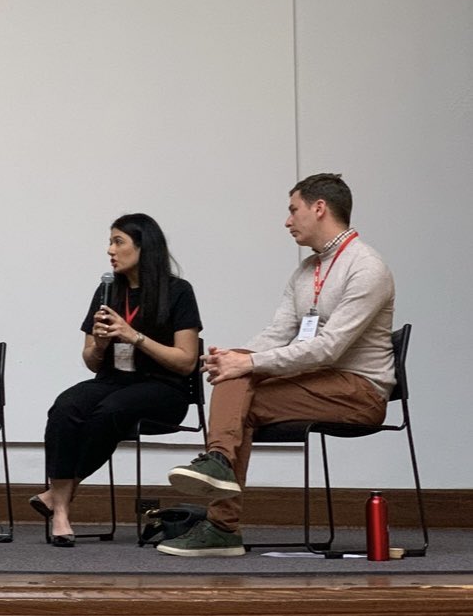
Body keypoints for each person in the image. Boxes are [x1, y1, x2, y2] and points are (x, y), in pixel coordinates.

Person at [160, 173, 393, 557]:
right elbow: (277, 332)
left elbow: (329, 349)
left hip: (359, 391)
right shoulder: (306, 271)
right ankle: (218, 473)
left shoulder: (367, 268)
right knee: (238, 373)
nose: (287, 221)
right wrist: (235, 358)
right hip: (317, 382)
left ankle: (221, 519)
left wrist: (245, 364)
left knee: (242, 377)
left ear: (319, 209)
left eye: (292, 210)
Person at [32, 214, 202, 546]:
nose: (110, 250)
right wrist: (101, 343)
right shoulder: (107, 291)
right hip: (113, 380)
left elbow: (186, 361)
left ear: (144, 247)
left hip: (165, 387)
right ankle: (62, 512)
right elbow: (90, 360)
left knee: (110, 410)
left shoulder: (178, 291)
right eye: (110, 242)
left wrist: (133, 335)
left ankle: (58, 495)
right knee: (65, 406)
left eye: (118, 241)